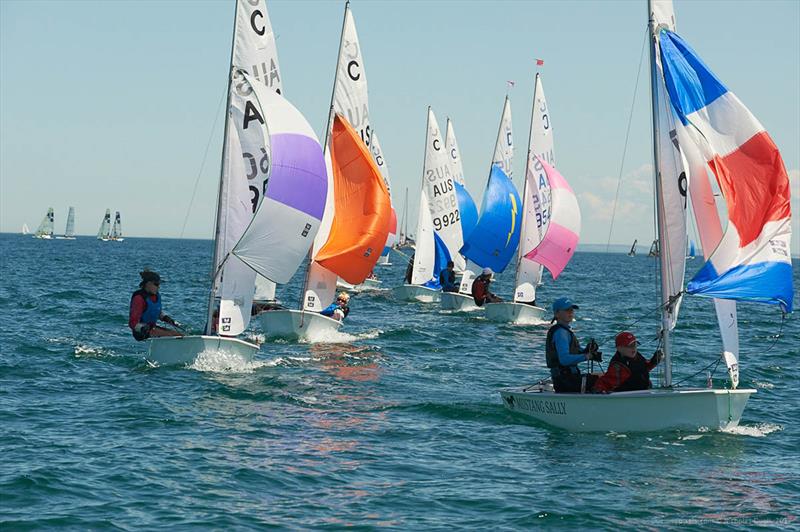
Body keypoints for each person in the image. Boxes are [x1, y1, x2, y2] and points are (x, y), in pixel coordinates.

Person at [545, 297, 602, 393]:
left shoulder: (565, 331)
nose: (570, 312)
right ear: (557, 313)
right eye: (567, 310)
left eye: (571, 310)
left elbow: (575, 351)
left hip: (568, 379)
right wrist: (587, 356)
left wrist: (587, 350)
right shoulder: (560, 333)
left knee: (604, 376)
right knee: (605, 379)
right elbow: (564, 360)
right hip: (566, 382)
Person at [592, 332, 663, 393]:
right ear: (619, 348)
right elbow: (604, 382)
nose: (633, 348)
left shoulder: (636, 356)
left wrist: (654, 361)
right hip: (627, 398)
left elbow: (644, 368)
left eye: (635, 344)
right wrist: (599, 391)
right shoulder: (619, 366)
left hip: (642, 394)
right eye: (629, 346)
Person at [129, 270, 183, 341]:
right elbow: (132, 323)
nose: (158, 287)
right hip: (141, 332)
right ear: (148, 284)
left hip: (152, 328)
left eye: (159, 285)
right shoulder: (139, 298)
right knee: (176, 336)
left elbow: (156, 312)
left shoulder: (157, 296)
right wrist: (142, 328)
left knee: (181, 335)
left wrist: (166, 318)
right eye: (156, 284)